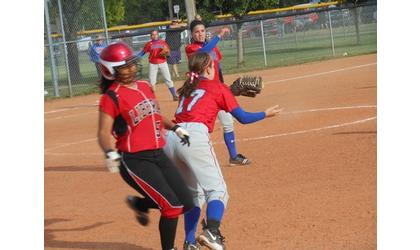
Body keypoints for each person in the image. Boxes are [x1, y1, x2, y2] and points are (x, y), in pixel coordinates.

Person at [164, 52, 282, 250]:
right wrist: (266, 113)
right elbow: (242, 117)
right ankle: (212, 232)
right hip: (194, 137)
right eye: (214, 66)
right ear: (209, 68)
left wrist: (229, 92)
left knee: (195, 196)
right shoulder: (217, 86)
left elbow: (205, 96)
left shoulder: (187, 88)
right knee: (218, 191)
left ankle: (190, 243)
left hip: (171, 138)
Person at [97, 42, 194, 250]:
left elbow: (154, 115)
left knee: (186, 201)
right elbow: (103, 132)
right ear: (109, 70)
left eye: (132, 63)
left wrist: (175, 128)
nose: (131, 68)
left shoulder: (144, 86)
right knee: (172, 206)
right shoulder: (111, 97)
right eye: (124, 66)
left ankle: (140, 204)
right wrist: (109, 153)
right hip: (135, 160)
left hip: (158, 154)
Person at [186, 19, 250, 166]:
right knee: (198, 126)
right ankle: (187, 157)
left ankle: (233, 157)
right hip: (202, 93)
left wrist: (224, 88)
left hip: (216, 91)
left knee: (228, 123)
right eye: (197, 31)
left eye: (202, 31)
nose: (200, 34)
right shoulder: (191, 49)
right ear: (192, 34)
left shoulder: (213, 48)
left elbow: (218, 68)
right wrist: (219, 36)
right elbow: (203, 52)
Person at [138, 30, 178, 101]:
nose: (154, 36)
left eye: (156, 34)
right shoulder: (149, 44)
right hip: (153, 64)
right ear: (151, 36)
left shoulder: (163, 42)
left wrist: (167, 53)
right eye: (153, 34)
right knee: (152, 82)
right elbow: (143, 52)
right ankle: (152, 98)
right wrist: (137, 56)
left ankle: (174, 95)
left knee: (168, 79)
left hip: (163, 63)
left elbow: (168, 53)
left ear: (158, 35)